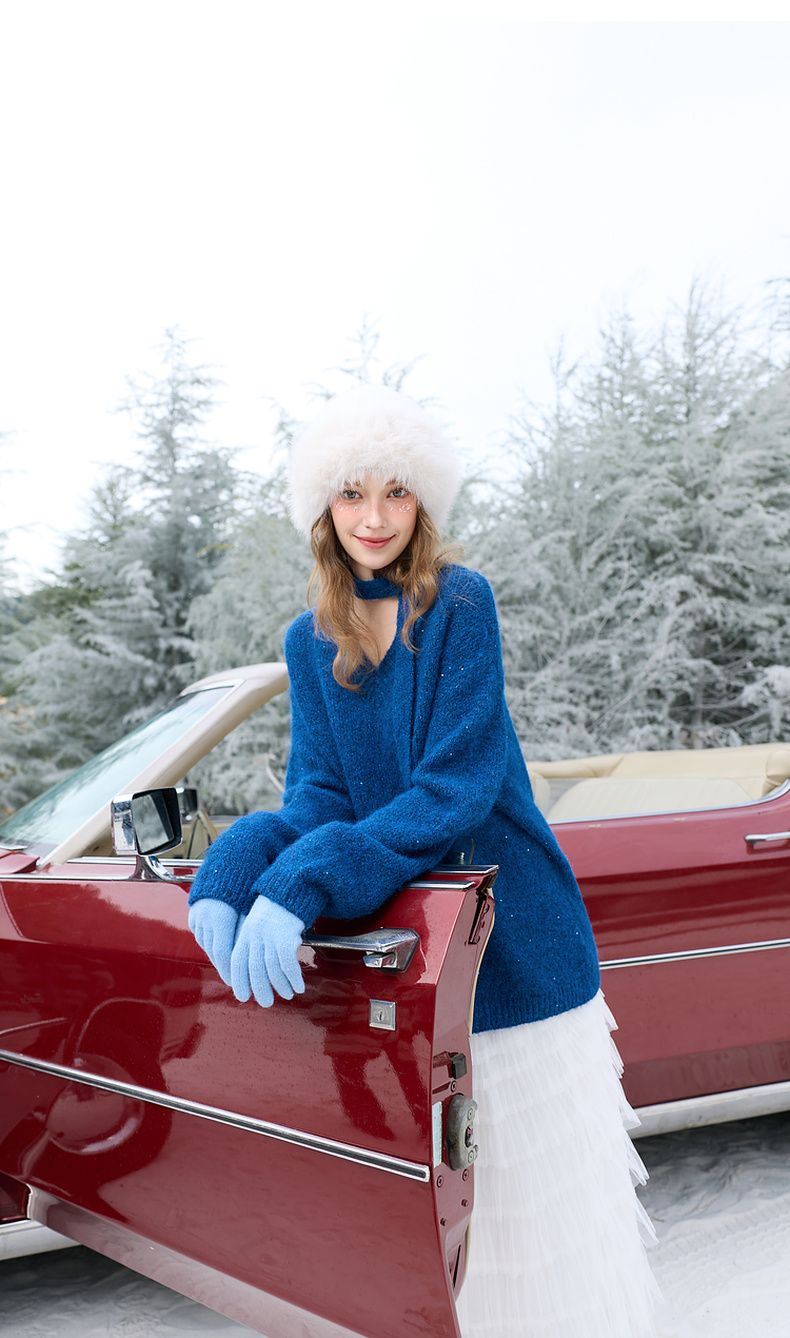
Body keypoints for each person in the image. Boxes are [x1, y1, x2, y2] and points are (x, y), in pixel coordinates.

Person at [187, 385, 659, 1338]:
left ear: (423, 502)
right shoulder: (309, 639)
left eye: (396, 492)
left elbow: (455, 789)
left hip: (512, 944)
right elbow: (320, 795)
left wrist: (306, 880)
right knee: (450, 1244)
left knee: (535, 1231)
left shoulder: (459, 604)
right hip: (420, 963)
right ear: (322, 507)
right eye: (351, 493)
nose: (373, 516)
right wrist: (234, 870)